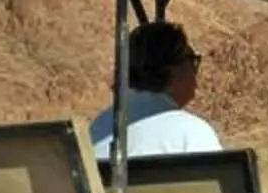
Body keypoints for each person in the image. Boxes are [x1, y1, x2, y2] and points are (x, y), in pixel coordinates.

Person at [87, 21, 222, 159]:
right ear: (175, 69)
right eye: (192, 59)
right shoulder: (194, 134)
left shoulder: (98, 128)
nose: (195, 71)